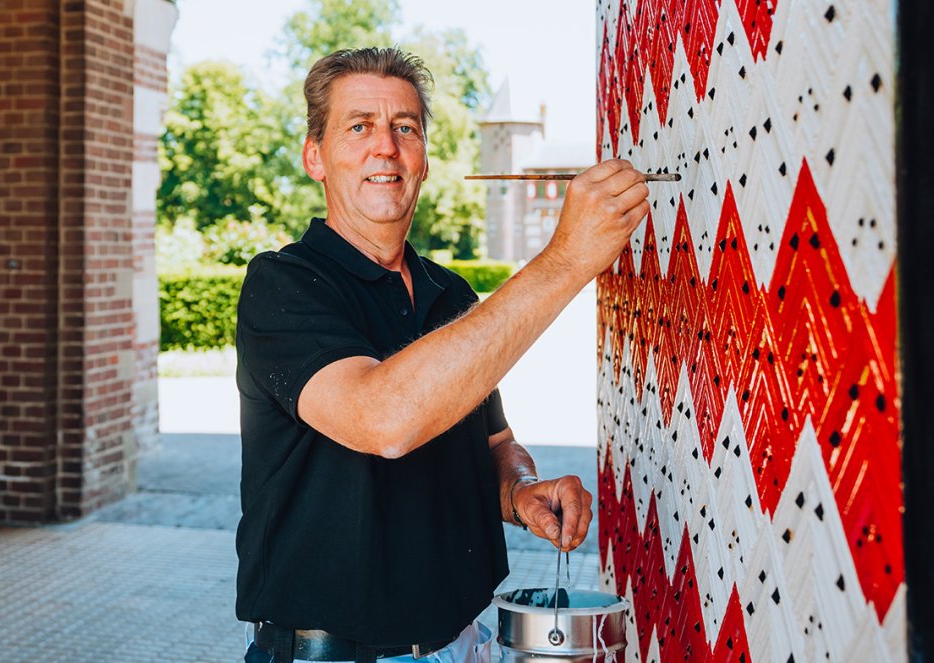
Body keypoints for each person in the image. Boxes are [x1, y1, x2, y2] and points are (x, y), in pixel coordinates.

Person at [235, 47, 650, 663]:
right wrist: (568, 260)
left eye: (405, 127)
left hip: (463, 642)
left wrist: (520, 491)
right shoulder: (283, 284)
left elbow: (492, 445)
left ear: (424, 159)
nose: (386, 146)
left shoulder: (450, 294)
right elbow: (385, 420)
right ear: (314, 156)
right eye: (359, 126)